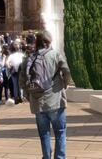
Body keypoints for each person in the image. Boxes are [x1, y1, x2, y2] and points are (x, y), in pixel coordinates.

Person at [19, 31, 71, 159]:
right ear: (49, 41)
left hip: (37, 103)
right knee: (60, 132)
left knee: (44, 134)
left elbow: (21, 81)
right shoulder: (55, 55)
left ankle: (46, 157)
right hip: (55, 100)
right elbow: (66, 71)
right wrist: (65, 83)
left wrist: (28, 95)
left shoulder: (29, 58)